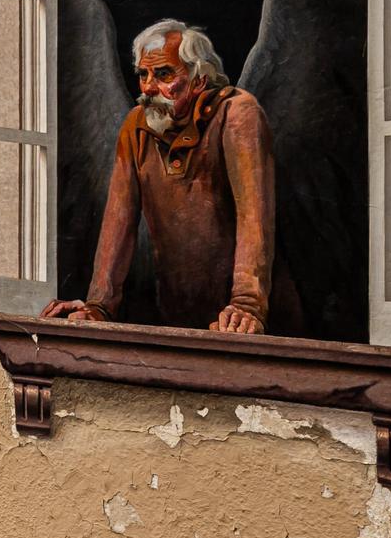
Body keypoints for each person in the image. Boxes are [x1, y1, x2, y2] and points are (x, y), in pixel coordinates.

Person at [43, 19, 301, 335]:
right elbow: (118, 223)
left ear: (199, 80)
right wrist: (98, 307)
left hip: (253, 325)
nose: (149, 87)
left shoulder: (237, 113)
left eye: (164, 74)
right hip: (178, 320)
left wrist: (247, 305)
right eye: (143, 75)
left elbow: (254, 216)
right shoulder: (137, 125)